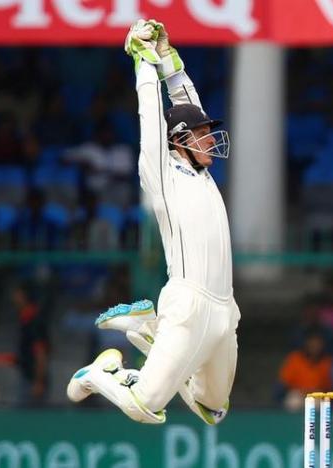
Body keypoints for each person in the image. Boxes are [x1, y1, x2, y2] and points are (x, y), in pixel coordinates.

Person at [67, 19, 239, 425]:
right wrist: (143, 61)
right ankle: (100, 372)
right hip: (188, 302)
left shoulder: (204, 174)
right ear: (180, 140)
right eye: (202, 135)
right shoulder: (162, 174)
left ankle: (151, 336)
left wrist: (168, 59)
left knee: (212, 410)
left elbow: (186, 99)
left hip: (224, 309)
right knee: (144, 407)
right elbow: (151, 120)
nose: (211, 140)